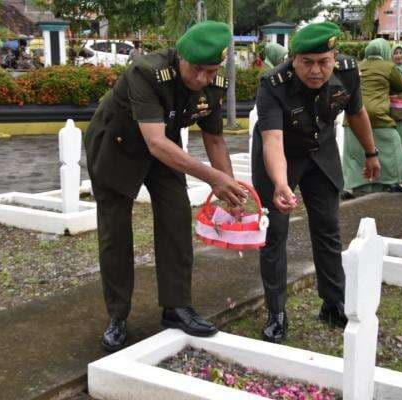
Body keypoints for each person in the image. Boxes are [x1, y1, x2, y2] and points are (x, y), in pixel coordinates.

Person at [84, 21, 248, 353]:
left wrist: (228, 187)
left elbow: (214, 138)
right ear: (180, 57)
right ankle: (118, 316)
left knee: (175, 219)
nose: (202, 78)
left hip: (164, 149)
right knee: (115, 233)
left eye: (210, 70)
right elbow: (155, 143)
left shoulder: (214, 84)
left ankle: (177, 307)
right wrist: (212, 178)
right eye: (196, 69)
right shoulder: (147, 72)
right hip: (118, 144)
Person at [252, 22, 381, 343]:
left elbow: (357, 113)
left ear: (335, 57)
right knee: (275, 233)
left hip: (321, 155)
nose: (316, 70)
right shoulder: (272, 84)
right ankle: (276, 312)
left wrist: (371, 152)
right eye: (307, 62)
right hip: (280, 158)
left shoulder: (348, 72)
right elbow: (271, 141)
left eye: (324, 62)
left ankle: (333, 301)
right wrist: (280, 183)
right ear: (292, 59)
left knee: (327, 227)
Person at [343, 38, 402, 194]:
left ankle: (353, 187)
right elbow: (398, 88)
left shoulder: (357, 66)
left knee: (354, 153)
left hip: (352, 114)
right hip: (377, 114)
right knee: (392, 146)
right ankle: (392, 181)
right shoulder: (389, 67)